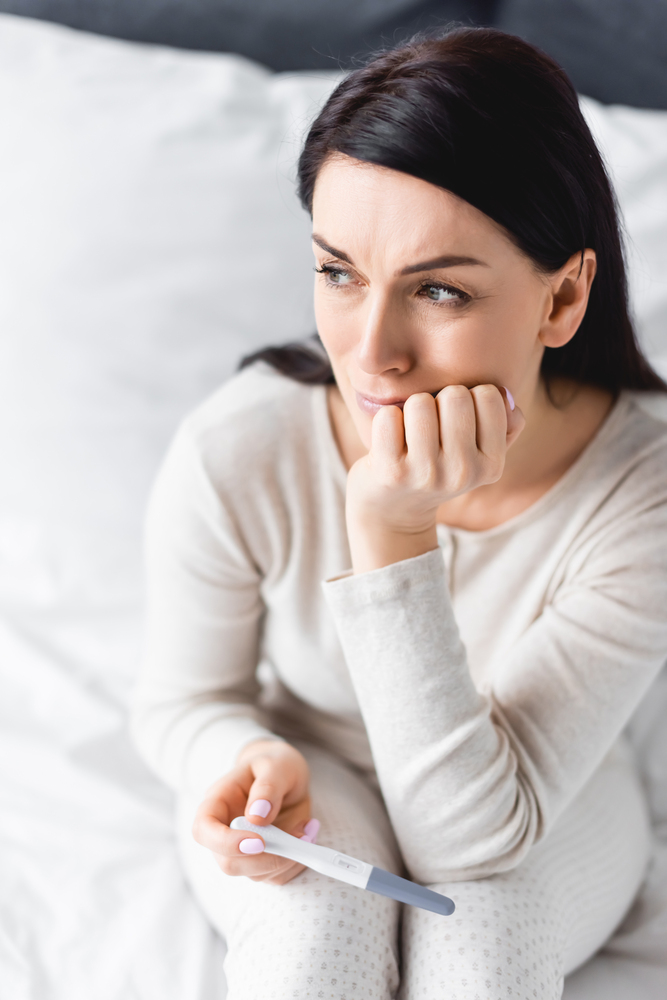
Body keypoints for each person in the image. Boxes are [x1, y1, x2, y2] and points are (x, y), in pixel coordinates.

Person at [130, 26, 667, 1000]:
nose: (371, 351)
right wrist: (243, 757)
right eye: (338, 272)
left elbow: (471, 838)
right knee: (310, 953)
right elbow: (181, 698)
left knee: (484, 958)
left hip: (547, 795)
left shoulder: (645, 494)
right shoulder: (239, 448)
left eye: (440, 290)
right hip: (316, 757)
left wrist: (391, 535)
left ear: (562, 297)